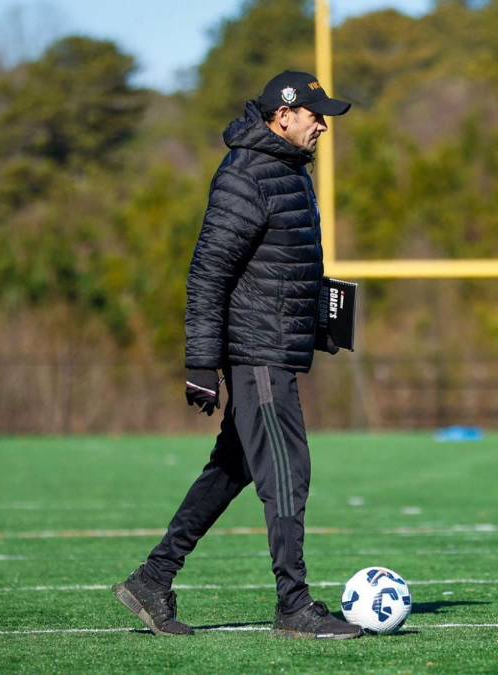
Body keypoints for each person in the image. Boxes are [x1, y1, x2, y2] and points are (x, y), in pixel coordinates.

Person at [112, 71, 362, 639]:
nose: (323, 124)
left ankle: (153, 579)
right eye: (314, 114)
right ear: (283, 116)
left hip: (276, 345)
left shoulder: (289, 172)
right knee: (286, 471)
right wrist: (201, 364)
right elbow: (209, 273)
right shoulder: (247, 175)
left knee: (237, 466)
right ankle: (295, 607)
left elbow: (278, 267)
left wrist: (318, 324)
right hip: (257, 354)